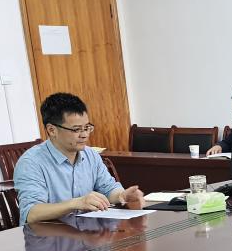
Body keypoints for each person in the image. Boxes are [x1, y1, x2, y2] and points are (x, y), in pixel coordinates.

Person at [14, 93, 143, 225]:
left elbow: (108, 188)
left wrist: (122, 195)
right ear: (52, 130)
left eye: (87, 128)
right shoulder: (31, 163)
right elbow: (31, 213)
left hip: (84, 232)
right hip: (49, 235)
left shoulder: (90, 155)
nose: (85, 135)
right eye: (76, 130)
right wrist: (75, 203)